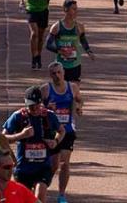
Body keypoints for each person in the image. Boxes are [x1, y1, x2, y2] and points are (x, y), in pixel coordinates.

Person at [2, 86, 65, 203]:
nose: (34, 108)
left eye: (37, 104)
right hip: (23, 169)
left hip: (42, 168)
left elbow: (62, 131)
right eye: (31, 105)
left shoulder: (49, 116)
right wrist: (21, 135)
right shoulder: (17, 116)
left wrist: (56, 141)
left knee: (40, 195)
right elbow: (2, 138)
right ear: (25, 103)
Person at [41, 63, 83, 203]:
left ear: (63, 73)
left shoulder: (72, 87)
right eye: (54, 73)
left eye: (59, 72)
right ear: (50, 75)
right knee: (53, 164)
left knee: (65, 163)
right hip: (52, 131)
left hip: (68, 130)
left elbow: (79, 99)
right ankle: (43, 187)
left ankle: (61, 194)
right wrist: (46, 108)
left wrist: (78, 107)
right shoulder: (46, 89)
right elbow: (35, 108)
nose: (57, 76)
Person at [45, 0, 94, 82]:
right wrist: (60, 51)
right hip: (61, 65)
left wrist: (89, 51)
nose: (76, 12)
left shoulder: (79, 26)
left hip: (75, 64)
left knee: (74, 89)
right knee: (61, 87)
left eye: (76, 9)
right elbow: (48, 45)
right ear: (65, 9)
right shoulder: (57, 27)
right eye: (73, 9)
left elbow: (83, 39)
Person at [21, 0, 54, 70]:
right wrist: (22, 1)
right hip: (31, 9)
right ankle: (34, 56)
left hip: (43, 10)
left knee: (40, 37)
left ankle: (38, 55)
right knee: (34, 33)